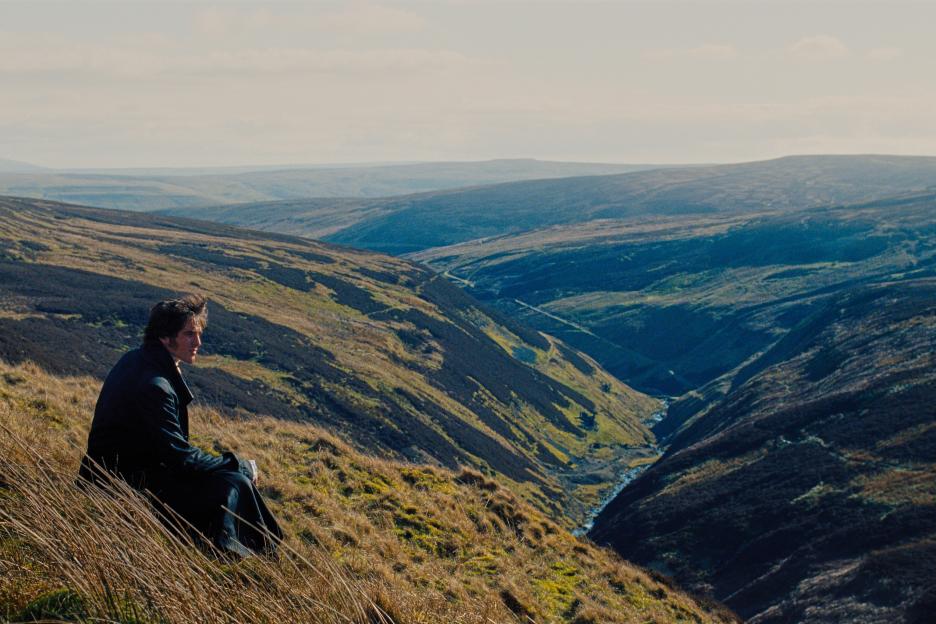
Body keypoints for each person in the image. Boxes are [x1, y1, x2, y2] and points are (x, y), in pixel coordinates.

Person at [78, 293, 282, 557]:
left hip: (121, 475)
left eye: (198, 333)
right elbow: (179, 458)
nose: (198, 342)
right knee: (234, 482)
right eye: (189, 334)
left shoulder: (136, 359)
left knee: (229, 479)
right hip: (124, 487)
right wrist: (239, 465)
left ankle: (242, 552)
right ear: (165, 337)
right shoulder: (155, 387)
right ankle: (247, 556)